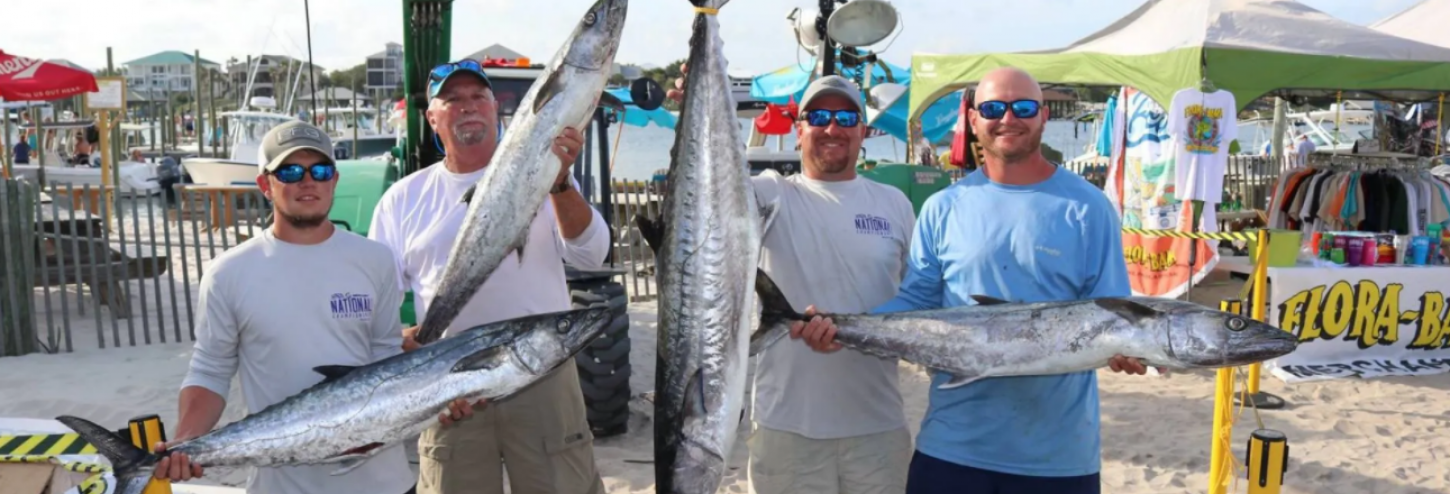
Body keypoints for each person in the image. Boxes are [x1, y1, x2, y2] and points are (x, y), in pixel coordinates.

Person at [793, 67, 1155, 494]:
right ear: (973, 119)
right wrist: (846, 329)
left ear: (1042, 116)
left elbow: (1111, 315)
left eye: (1022, 107)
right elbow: (916, 300)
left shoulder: (1089, 207)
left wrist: (1130, 351)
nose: (1008, 118)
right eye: (992, 108)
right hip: (952, 449)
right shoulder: (943, 206)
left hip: (1058, 458)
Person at [155, 120, 475, 494]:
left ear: (334, 180)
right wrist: (186, 440)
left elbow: (385, 357)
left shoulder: (375, 260)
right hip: (283, 486)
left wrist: (436, 397)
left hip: (385, 484)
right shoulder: (229, 273)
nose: (308, 181)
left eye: (320, 170)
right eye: (290, 171)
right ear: (265, 184)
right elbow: (210, 370)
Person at [367, 59, 609, 494]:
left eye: (478, 96)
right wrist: (400, 341)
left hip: (543, 374)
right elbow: (375, 300)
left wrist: (560, 184)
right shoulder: (402, 199)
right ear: (431, 118)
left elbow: (592, 255)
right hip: (450, 387)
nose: (468, 107)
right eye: (453, 100)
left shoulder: (543, 171)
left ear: (496, 109)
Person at [669, 70, 918, 493]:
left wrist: (859, 332)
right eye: (819, 116)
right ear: (799, 129)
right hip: (786, 431)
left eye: (845, 117)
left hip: (879, 428)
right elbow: (709, 197)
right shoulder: (770, 195)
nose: (832, 127)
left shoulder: (894, 203)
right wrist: (700, 107)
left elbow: (916, 299)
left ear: (863, 130)